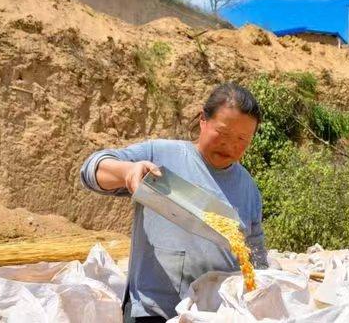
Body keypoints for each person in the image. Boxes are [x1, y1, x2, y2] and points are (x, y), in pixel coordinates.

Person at [80, 83, 267, 322]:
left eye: (242, 139)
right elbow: (92, 169)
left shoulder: (248, 189)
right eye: (223, 133)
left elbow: (256, 254)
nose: (231, 146)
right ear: (203, 120)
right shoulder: (162, 156)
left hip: (213, 314)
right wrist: (127, 171)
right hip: (152, 311)